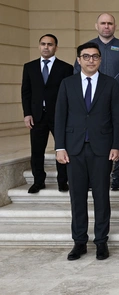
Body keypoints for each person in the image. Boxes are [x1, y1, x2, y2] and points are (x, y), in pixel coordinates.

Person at [54, 42, 119, 261]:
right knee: (77, 197)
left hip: (101, 149)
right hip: (74, 149)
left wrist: (116, 145)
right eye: (86, 56)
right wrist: (59, 147)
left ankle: (101, 241)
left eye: (95, 56)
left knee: (102, 196)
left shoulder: (111, 84)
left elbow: (117, 118)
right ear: (79, 60)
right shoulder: (67, 84)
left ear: (100, 60)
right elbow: (60, 116)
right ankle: (79, 242)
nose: (91, 60)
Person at [73, 13, 119, 191]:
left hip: (117, 102)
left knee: (118, 137)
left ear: (115, 26)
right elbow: (77, 77)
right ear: (96, 26)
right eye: (103, 23)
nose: (106, 26)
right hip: (91, 104)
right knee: (93, 139)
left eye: (110, 23)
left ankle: (117, 176)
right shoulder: (87, 48)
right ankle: (92, 178)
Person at [21, 34, 73, 193]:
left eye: (50, 44)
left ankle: (63, 181)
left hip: (59, 115)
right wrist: (27, 113)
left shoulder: (65, 68)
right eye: (43, 44)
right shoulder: (29, 67)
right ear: (39, 46)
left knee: (61, 148)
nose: (46, 47)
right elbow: (26, 92)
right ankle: (38, 181)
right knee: (37, 150)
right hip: (37, 116)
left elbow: (69, 94)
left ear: (56, 47)